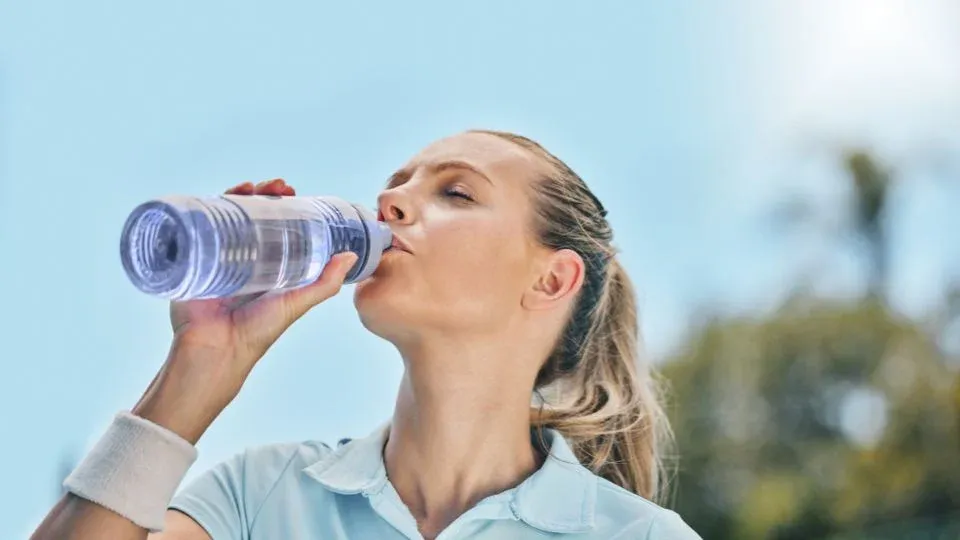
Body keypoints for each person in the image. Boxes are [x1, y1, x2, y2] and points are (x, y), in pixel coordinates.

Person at [31, 130, 701, 539]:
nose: (393, 203)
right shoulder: (263, 495)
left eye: (457, 194)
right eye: (396, 187)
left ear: (552, 281)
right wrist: (198, 365)